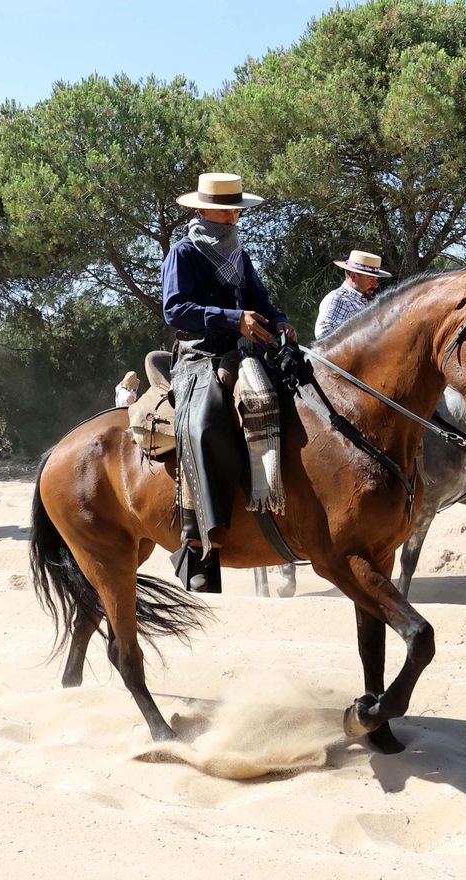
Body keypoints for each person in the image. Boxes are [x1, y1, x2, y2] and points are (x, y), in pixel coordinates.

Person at [161, 172, 297, 591]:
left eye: (237, 208)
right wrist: (234, 319)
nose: (235, 214)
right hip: (199, 355)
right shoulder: (183, 253)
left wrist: (279, 321)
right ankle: (197, 539)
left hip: (247, 350)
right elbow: (175, 309)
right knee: (204, 422)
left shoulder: (238, 253)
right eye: (228, 207)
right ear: (202, 209)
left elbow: (260, 299)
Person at [314, 250, 393, 339]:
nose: (376, 284)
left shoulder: (367, 300)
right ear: (353, 276)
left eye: (376, 279)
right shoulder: (337, 299)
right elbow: (324, 334)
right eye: (371, 279)